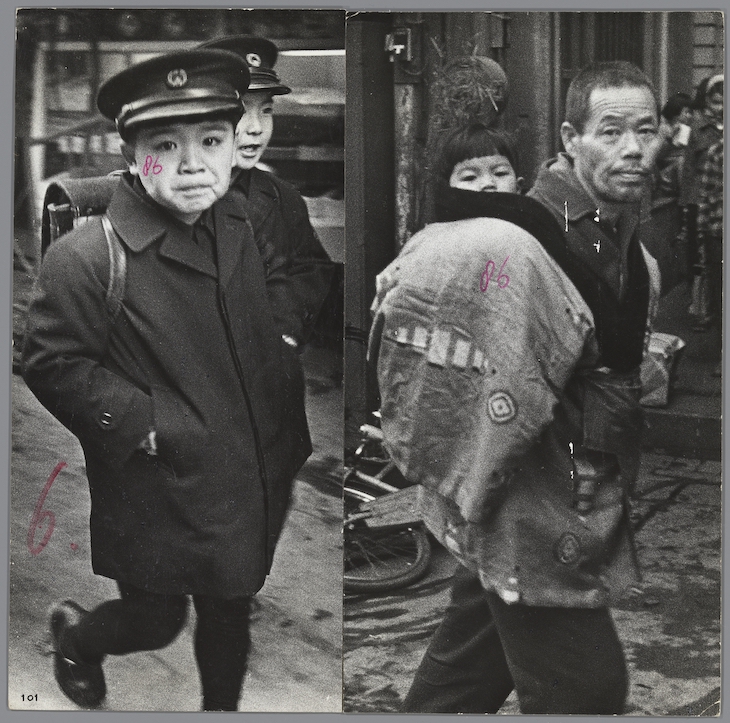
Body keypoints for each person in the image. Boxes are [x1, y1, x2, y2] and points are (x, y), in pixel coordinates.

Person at [22, 49, 312, 711]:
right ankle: (78, 639)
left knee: (230, 611)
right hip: (158, 487)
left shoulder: (236, 218)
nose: (193, 164)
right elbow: (50, 361)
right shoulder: (88, 257)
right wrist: (146, 423)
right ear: (129, 151)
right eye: (164, 145)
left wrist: (282, 361)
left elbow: (269, 297)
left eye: (211, 141)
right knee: (158, 618)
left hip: (245, 473)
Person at [371, 61, 661, 715]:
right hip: (529, 503)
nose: (633, 147)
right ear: (570, 137)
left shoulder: (623, 241)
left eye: (646, 129)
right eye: (610, 130)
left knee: (460, 680)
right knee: (585, 689)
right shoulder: (516, 235)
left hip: (577, 495)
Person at [199, 34, 334, 349]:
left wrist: (286, 330)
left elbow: (310, 269)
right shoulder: (173, 192)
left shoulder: (282, 196)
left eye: (267, 110)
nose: (257, 127)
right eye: (242, 109)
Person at [681, 74, 723, 327]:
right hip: (702, 199)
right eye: (716, 102)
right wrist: (687, 201)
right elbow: (686, 167)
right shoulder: (693, 127)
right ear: (706, 101)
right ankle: (703, 310)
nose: (720, 107)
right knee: (702, 262)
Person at [696, 136, 723, 375]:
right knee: (720, 296)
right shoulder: (718, 151)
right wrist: (702, 234)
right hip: (719, 234)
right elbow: (704, 196)